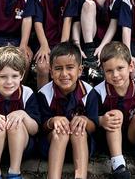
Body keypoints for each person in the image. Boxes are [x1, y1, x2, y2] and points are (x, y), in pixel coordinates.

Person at [94, 42, 135, 179]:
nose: (115, 75)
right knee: (114, 114)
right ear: (103, 71)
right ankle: (118, 166)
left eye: (120, 68)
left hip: (132, 137)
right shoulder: (99, 92)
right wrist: (101, 120)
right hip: (108, 139)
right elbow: (91, 117)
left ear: (131, 66)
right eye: (109, 71)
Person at [0, 46, 40, 179]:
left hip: (22, 150)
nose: (9, 82)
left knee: (15, 123)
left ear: (21, 75)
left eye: (14, 76)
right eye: (3, 76)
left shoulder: (27, 94)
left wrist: (23, 114)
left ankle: (14, 172)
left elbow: (35, 130)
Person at [36, 42, 99, 179]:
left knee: (79, 130)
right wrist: (53, 121)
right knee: (61, 131)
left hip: (82, 145)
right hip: (52, 145)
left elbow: (94, 126)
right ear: (51, 72)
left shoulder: (89, 93)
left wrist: (85, 121)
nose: (64, 74)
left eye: (70, 68)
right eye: (58, 69)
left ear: (80, 70)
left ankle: (80, 176)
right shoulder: (44, 94)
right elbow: (40, 128)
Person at [25, 0, 79, 88]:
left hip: (63, 41)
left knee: (64, 66)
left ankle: (62, 101)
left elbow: (68, 21)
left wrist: (62, 48)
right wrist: (44, 45)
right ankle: (44, 100)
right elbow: (37, 22)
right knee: (43, 67)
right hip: (43, 41)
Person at [74, 0, 123, 84]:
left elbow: (113, 25)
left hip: (108, 41)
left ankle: (96, 65)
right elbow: (77, 24)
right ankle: (90, 55)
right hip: (89, 38)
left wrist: (103, 46)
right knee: (89, 5)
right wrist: (77, 45)